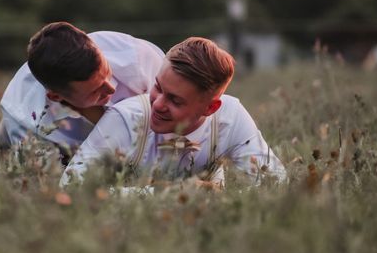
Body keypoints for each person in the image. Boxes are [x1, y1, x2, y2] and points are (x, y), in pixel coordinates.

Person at [60, 37, 286, 187]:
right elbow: (71, 185)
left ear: (210, 108)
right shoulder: (125, 119)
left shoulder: (230, 116)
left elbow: (274, 183)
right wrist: (162, 195)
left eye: (175, 100)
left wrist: (219, 199)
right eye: (158, 87)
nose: (157, 104)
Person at [0, 22, 165, 162]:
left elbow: (177, 96)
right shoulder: (26, 124)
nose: (111, 88)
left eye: (107, 73)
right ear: (56, 96)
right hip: (23, 115)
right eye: (96, 91)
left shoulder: (136, 57)